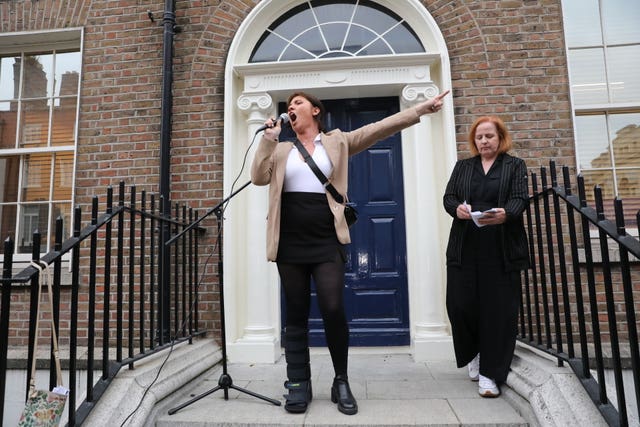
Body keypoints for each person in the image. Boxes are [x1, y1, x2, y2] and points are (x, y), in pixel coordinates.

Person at [251, 89, 449, 414]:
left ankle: (340, 380)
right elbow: (258, 178)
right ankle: (298, 383)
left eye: (298, 103)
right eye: (289, 105)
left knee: (332, 308)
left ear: (315, 111)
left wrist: (421, 110)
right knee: (296, 312)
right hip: (289, 240)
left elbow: (379, 129)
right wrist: (268, 139)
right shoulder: (281, 147)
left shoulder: (338, 142)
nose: (291, 107)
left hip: (326, 239)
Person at [442, 115, 529, 398]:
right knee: (460, 306)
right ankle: (473, 354)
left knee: (498, 312)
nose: (484, 141)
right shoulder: (463, 167)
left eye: (489, 136)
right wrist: (458, 209)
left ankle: (490, 375)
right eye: (479, 137)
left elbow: (519, 199)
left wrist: (507, 214)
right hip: (465, 245)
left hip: (500, 247)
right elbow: (449, 197)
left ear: (500, 137)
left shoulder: (514, 166)